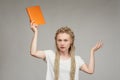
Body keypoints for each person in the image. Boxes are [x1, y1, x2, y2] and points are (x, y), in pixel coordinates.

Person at [30, 21, 103, 80]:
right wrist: (36, 32)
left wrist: (92, 51)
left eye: (65, 40)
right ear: (56, 42)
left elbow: (90, 70)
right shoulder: (50, 55)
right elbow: (33, 52)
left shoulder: (77, 59)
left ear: (71, 42)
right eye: (59, 40)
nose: (62, 43)